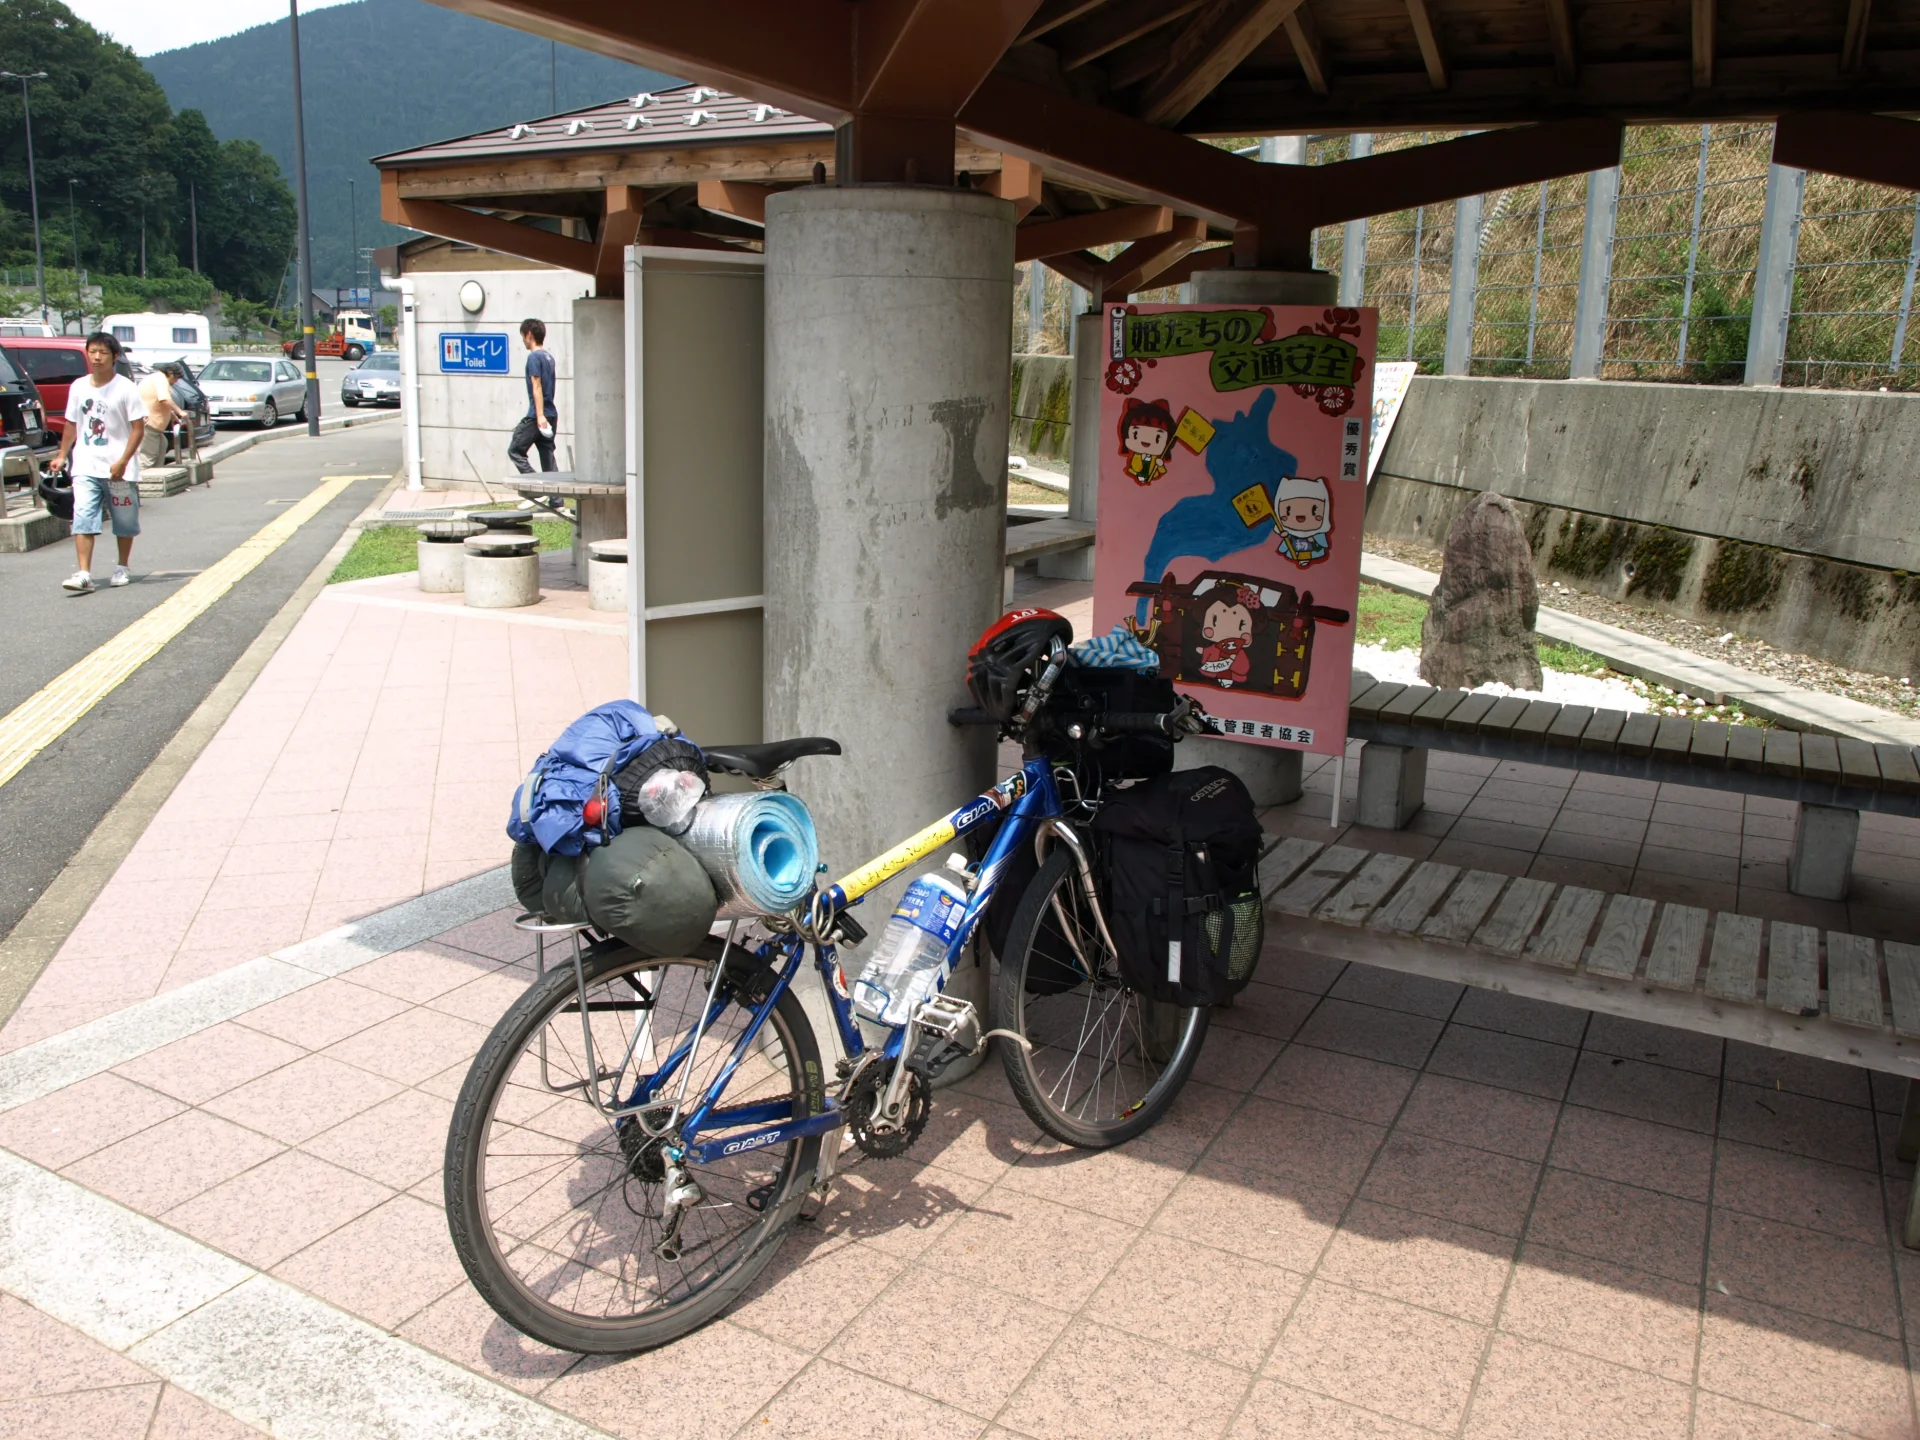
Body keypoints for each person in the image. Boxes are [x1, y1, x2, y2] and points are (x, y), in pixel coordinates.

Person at [55, 332, 146, 593]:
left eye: (103, 352)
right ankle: (84, 573)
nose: (97, 357)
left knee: (124, 521)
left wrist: (123, 461)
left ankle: (122, 567)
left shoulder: (126, 388)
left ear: (114, 356)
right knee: (83, 517)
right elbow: (71, 423)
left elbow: (138, 428)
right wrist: (62, 455)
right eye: (92, 351)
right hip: (86, 465)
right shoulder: (78, 386)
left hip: (119, 470)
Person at [508, 317, 557, 474]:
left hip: (538, 416)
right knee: (547, 457)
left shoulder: (534, 357)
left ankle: (535, 482)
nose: (523, 340)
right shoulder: (549, 357)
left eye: (523, 336)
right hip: (551, 414)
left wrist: (540, 416)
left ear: (529, 334)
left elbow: (537, 385)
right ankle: (555, 491)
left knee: (515, 450)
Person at [137, 362, 188, 468]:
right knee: (147, 459)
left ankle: (157, 473)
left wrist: (172, 415)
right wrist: (180, 411)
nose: (176, 381)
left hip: (154, 427)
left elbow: (156, 401)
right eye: (176, 378)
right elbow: (164, 398)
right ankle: (142, 478)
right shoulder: (161, 379)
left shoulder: (156, 378)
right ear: (170, 373)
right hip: (149, 424)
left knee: (162, 446)